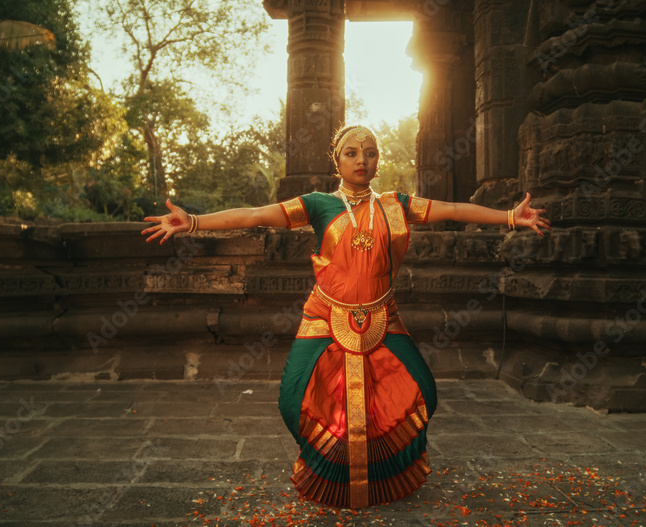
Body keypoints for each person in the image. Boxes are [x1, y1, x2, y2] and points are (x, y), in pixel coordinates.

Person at [141, 124, 551, 508]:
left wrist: (511, 217)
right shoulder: (320, 205)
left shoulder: (396, 205)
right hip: (325, 314)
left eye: (370, 154)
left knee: (422, 390)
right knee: (294, 400)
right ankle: (329, 471)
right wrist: (192, 222)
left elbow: (454, 209)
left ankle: (382, 474)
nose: (362, 160)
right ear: (336, 161)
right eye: (352, 153)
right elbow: (254, 215)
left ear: (378, 162)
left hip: (382, 315)